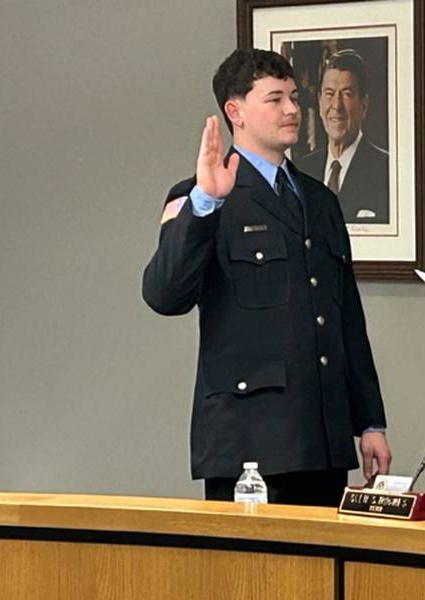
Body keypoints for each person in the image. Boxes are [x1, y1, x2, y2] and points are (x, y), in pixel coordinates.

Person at [142, 48, 391, 507]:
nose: (293, 110)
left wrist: (369, 422)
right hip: (248, 446)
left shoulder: (320, 201)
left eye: (294, 97)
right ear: (235, 111)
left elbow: (346, 320)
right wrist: (205, 204)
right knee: (254, 581)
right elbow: (164, 294)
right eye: (275, 99)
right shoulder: (199, 197)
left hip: (322, 439)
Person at [299, 49, 390, 224]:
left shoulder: (386, 170)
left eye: (347, 94)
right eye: (329, 94)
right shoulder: (302, 171)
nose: (336, 106)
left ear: (364, 104)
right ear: (319, 101)